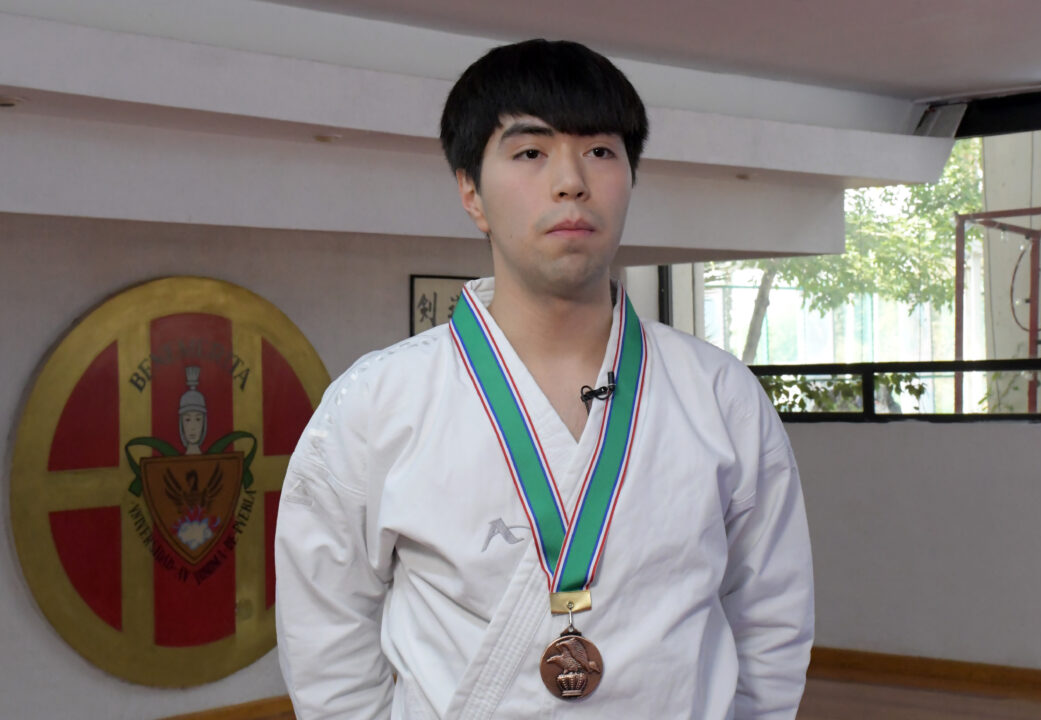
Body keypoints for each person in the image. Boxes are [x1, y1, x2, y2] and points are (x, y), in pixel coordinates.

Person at [275, 39, 813, 719]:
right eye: (531, 152)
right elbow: (326, 639)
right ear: (471, 192)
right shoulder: (376, 404)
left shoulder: (720, 395)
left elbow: (770, 618)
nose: (571, 181)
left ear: (630, 179)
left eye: (601, 151)